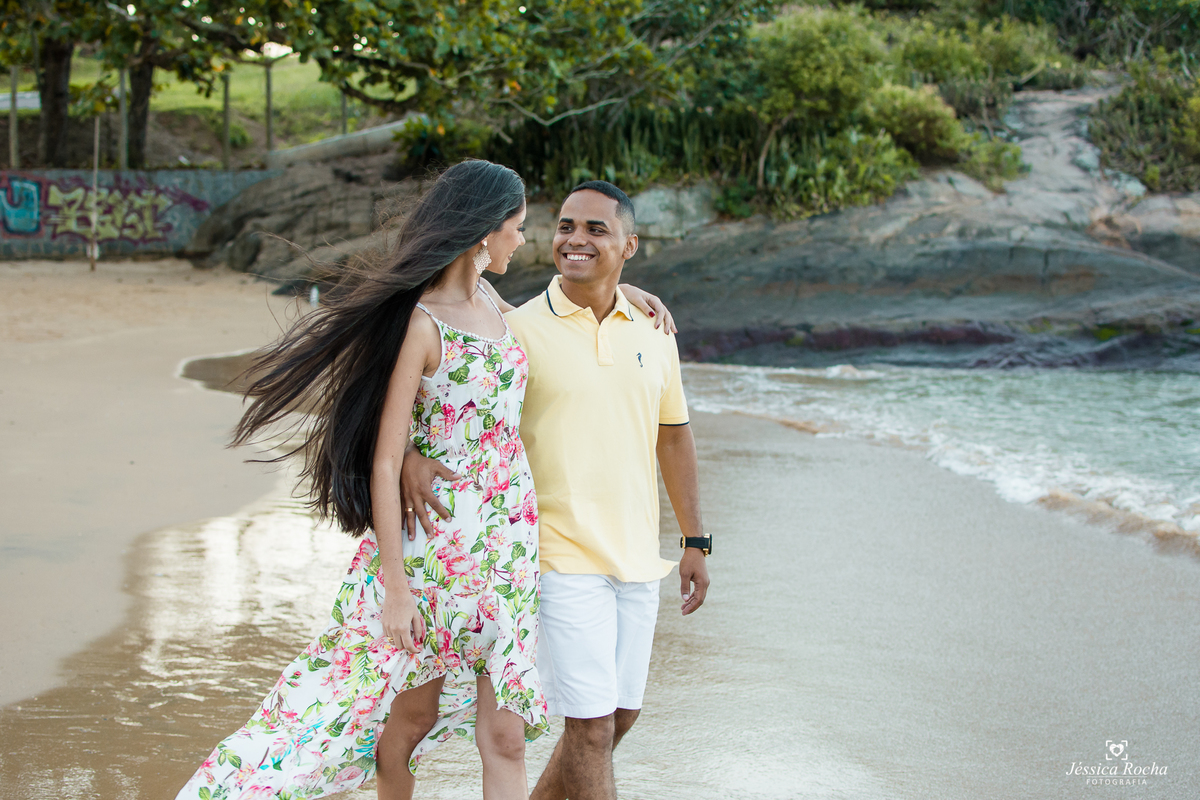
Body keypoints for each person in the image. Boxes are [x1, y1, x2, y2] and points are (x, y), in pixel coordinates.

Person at [174, 162, 677, 800]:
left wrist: (623, 295)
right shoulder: (420, 323)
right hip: (434, 550)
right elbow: (386, 459)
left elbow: (556, 321)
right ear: (483, 233)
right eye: (518, 229)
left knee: (508, 737)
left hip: (508, 551)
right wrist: (395, 587)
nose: (523, 242)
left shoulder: (498, 307)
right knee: (409, 722)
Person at [402, 180, 711, 800]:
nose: (575, 239)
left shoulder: (653, 329)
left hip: (635, 555)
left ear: (630, 245)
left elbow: (672, 436)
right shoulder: (517, 330)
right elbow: (452, 403)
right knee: (591, 728)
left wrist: (695, 539)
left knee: (619, 717)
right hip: (553, 555)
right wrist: (411, 452)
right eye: (566, 226)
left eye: (597, 230)